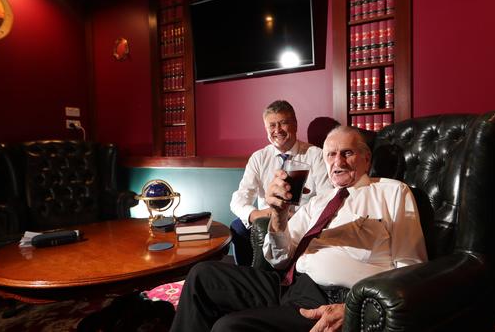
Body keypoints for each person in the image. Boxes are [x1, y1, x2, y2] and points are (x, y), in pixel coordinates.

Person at [170, 126, 428, 332]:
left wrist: (354, 307)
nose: (338, 161)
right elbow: (279, 259)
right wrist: (279, 217)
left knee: (228, 327)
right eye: (330, 154)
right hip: (289, 284)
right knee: (202, 274)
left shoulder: (391, 192)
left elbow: (411, 267)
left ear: (366, 158)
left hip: (334, 297)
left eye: (347, 153)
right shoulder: (318, 201)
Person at [229, 100, 331, 266]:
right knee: (238, 227)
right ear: (266, 128)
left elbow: (326, 197)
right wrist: (256, 215)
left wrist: (295, 214)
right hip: (266, 218)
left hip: (301, 218)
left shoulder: (316, 155)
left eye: (283, 123)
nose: (277, 130)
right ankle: (248, 278)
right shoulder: (259, 158)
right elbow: (239, 198)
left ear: (295, 125)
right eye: (272, 125)